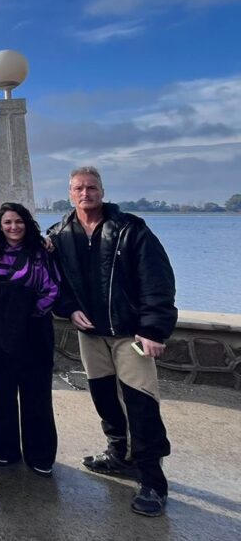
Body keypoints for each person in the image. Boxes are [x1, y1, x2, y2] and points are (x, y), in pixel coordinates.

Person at [48, 166, 177, 517]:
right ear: (70, 193)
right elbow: (55, 283)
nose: (85, 193)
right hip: (91, 334)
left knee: (141, 403)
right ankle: (119, 454)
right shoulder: (59, 234)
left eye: (91, 187)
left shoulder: (130, 229)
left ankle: (152, 479)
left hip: (130, 333)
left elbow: (157, 280)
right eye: (78, 188)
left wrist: (154, 329)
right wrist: (68, 308)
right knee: (104, 397)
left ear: (102, 191)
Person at [0, 202, 60, 478]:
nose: (14, 227)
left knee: (37, 394)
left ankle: (40, 454)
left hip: (34, 328)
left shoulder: (41, 251)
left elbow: (53, 286)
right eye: (7, 222)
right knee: (0, 391)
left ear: (28, 223)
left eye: (19, 221)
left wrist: (26, 312)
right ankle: (4, 449)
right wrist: (3, 310)